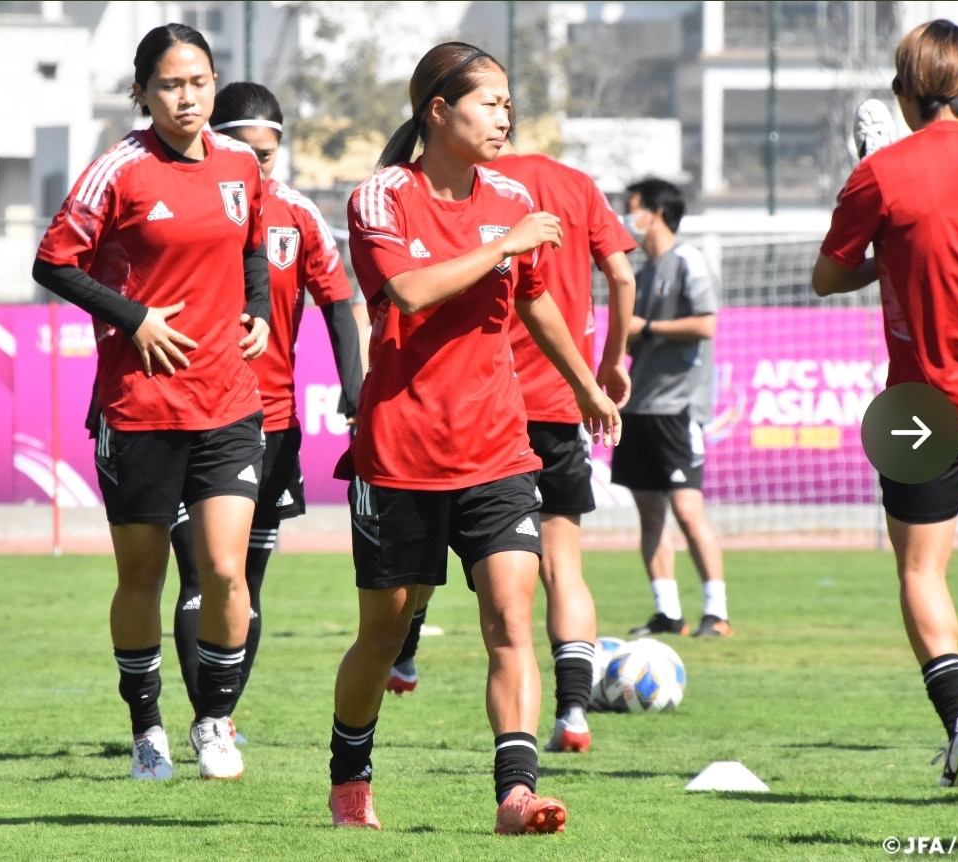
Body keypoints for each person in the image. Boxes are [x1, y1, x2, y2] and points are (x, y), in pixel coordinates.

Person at [328, 41, 621, 833]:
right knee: (383, 634)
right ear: (438, 110)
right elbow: (408, 291)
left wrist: (585, 382)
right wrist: (500, 245)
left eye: (508, 105)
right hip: (400, 455)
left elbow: (534, 300)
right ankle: (349, 778)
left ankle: (515, 794)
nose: (505, 117)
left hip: (498, 449)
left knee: (509, 619)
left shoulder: (509, 196)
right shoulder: (382, 197)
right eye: (490, 102)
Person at [33, 24, 270, 781]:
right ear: (143, 92)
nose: (187, 97)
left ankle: (214, 722)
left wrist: (259, 309)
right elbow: (53, 262)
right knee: (143, 577)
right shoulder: (119, 169)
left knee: (226, 572)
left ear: (214, 83)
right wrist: (135, 318)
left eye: (198, 81)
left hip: (228, 402)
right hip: (140, 407)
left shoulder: (240, 163)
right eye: (170, 84)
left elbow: (253, 245)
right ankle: (146, 729)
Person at [384, 129, 637, 759]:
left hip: (479, 402)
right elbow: (621, 274)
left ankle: (406, 656)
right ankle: (573, 711)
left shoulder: (474, 188)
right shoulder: (574, 186)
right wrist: (609, 363)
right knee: (562, 566)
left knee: (424, 564)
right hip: (553, 402)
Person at [813, 19, 958, 789]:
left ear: (904, 92)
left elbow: (826, 278)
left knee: (921, 570)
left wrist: (889, 243)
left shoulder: (879, 175)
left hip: (923, 401)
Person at [168, 82, 362, 736]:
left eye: (267, 154)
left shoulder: (297, 214)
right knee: (201, 575)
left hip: (271, 422)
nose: (256, 164)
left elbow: (338, 303)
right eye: (244, 152)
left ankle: (218, 719)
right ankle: (208, 723)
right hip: (187, 416)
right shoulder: (177, 202)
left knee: (244, 582)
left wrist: (355, 391)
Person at [610, 179, 731, 639]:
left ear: (656, 212)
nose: (627, 218)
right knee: (649, 511)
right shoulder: (640, 274)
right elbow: (630, 337)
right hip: (638, 405)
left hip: (677, 407)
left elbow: (706, 324)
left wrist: (648, 328)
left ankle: (716, 612)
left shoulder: (688, 261)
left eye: (631, 208)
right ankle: (668, 612)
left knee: (687, 509)